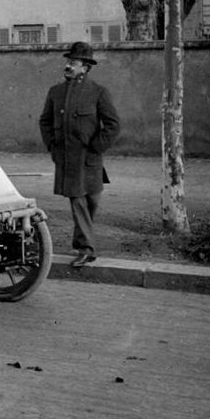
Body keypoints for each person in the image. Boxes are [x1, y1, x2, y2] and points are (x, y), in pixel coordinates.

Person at [38, 41, 121, 268]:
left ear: (85, 67)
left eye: (73, 63)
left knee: (91, 200)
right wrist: (52, 146)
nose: (68, 66)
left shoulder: (98, 93)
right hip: (67, 158)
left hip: (91, 158)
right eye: (68, 61)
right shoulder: (55, 92)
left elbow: (113, 124)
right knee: (78, 202)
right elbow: (45, 121)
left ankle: (80, 240)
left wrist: (96, 146)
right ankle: (86, 249)